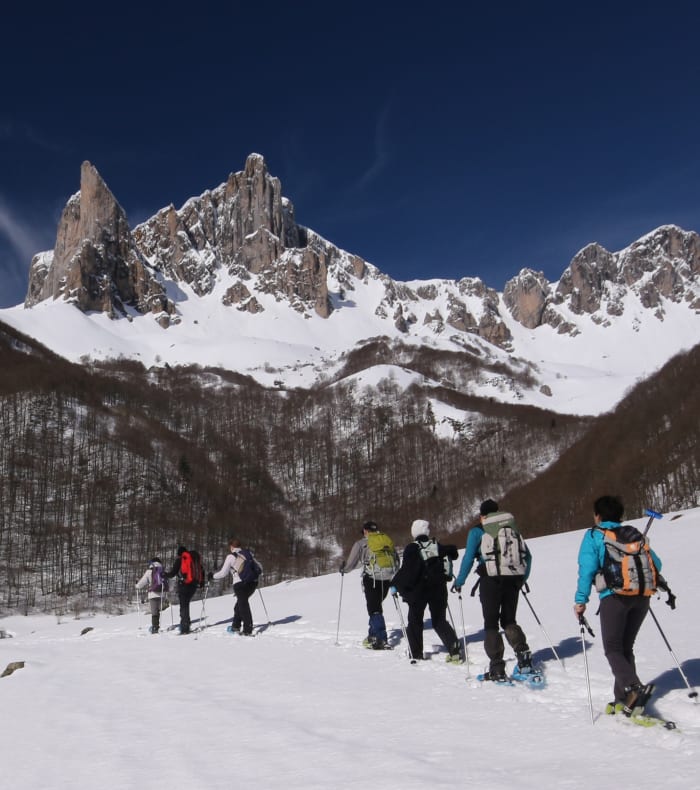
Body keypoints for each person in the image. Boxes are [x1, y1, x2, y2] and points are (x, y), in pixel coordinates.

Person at [574, 495, 662, 714]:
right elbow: (656, 563)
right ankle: (624, 698)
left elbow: (587, 569)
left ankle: (633, 689)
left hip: (614, 598)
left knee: (613, 649)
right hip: (642, 597)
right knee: (625, 648)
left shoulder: (595, 534)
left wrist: (580, 600)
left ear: (598, 515)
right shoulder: (634, 534)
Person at [453, 499, 532, 681]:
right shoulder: (510, 528)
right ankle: (524, 656)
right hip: (513, 579)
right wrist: (521, 579)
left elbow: (468, 558)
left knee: (491, 623)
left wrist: (460, 582)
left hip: (490, 581)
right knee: (509, 620)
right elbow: (528, 556)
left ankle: (497, 667)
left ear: (482, 516)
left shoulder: (477, 531)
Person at [390, 519, 461, 662]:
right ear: (427, 532)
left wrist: (395, 584)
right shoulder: (436, 545)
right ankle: (454, 648)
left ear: (414, 532)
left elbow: (407, 570)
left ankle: (416, 653)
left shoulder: (412, 548)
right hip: (439, 588)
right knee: (439, 620)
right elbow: (450, 556)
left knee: (415, 621)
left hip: (419, 591)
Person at [341, 520, 398, 650]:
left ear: (366, 531)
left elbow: (351, 563)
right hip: (387, 578)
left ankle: (381, 638)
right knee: (376, 607)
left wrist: (343, 570)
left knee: (374, 609)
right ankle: (372, 636)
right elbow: (396, 559)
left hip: (371, 578)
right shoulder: (385, 540)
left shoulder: (361, 543)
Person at [208, 538, 259, 635]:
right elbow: (259, 567)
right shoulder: (248, 554)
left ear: (231, 547)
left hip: (240, 584)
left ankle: (247, 630)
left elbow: (223, 573)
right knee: (239, 605)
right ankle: (236, 626)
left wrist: (213, 576)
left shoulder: (231, 557)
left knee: (243, 605)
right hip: (252, 583)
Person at [164, 545, 199, 635]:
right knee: (186, 604)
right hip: (194, 585)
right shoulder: (194, 559)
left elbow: (172, 573)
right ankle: (186, 623)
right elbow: (200, 570)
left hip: (184, 585)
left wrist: (165, 575)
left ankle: (184, 628)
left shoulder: (180, 560)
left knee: (184, 606)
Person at [135, 557, 167, 634]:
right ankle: (156, 626)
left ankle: (155, 627)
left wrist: (137, 585)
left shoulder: (149, 571)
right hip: (161, 594)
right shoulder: (162, 571)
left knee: (154, 612)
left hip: (152, 594)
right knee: (158, 611)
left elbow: (142, 582)